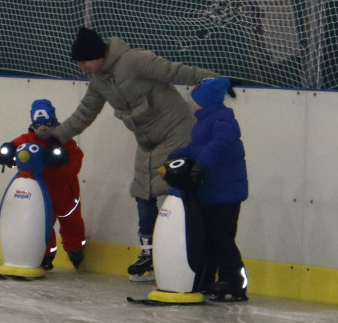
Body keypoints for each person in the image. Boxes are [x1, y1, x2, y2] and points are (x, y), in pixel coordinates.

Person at [51, 26, 218, 282]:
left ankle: (180, 254)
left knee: (172, 191)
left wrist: (215, 80)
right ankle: (149, 254)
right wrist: (55, 137)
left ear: (97, 55)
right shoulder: (99, 81)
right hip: (147, 143)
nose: (82, 67)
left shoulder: (134, 60)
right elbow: (85, 113)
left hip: (177, 131)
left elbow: (174, 71)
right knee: (143, 193)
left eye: (84, 61)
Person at [169, 77, 249, 302]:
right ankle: (209, 278)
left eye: (195, 97)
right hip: (213, 192)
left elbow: (220, 143)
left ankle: (234, 280)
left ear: (205, 100)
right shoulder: (206, 119)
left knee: (221, 237)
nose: (191, 101)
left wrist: (201, 162)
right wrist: (183, 153)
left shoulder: (222, 120)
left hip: (226, 193)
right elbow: (202, 146)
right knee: (209, 237)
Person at [0, 99, 87, 271]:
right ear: (33, 124)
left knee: (72, 224)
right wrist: (7, 152)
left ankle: (76, 250)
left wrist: (62, 160)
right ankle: (44, 255)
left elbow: (75, 164)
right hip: (40, 196)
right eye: (39, 124)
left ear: (54, 121)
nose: (44, 128)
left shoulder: (65, 141)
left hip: (66, 196)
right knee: (40, 226)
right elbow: (18, 155)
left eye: (48, 123)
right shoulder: (26, 140)